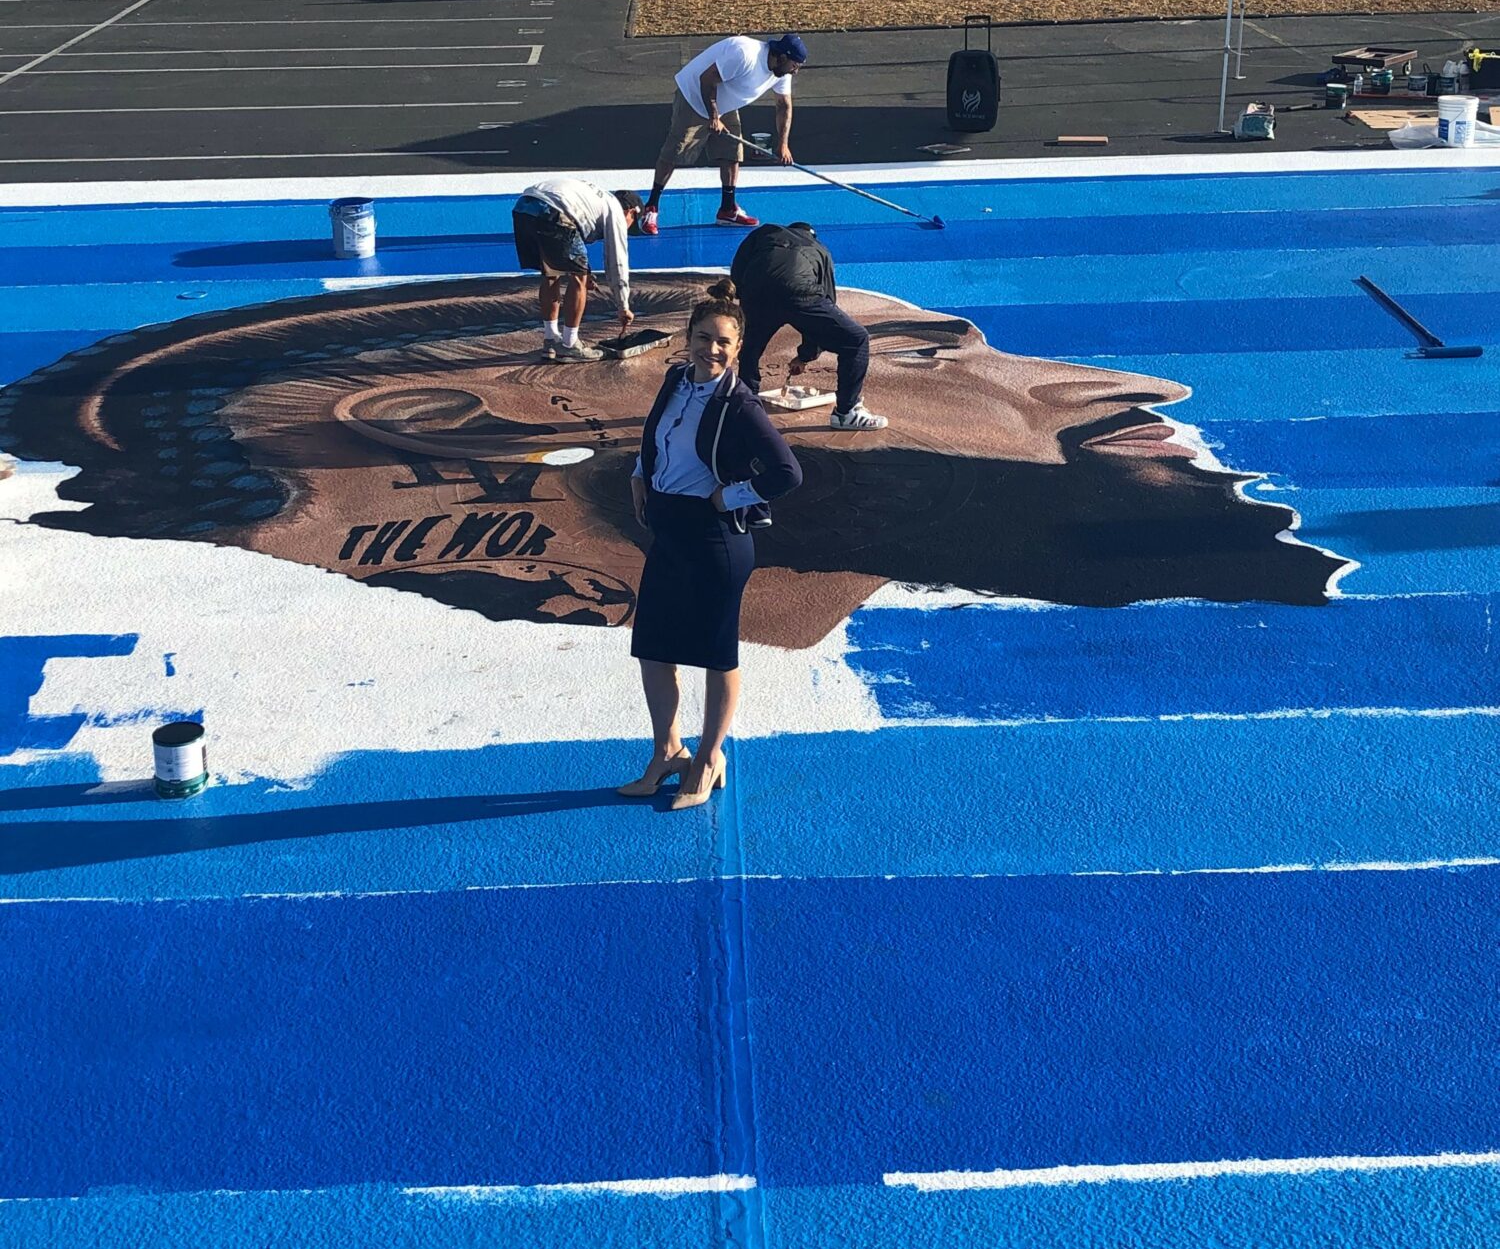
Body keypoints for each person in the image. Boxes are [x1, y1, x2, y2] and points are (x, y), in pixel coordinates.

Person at [0, 276, 1347, 660]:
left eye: (934, 345)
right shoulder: (694, 433)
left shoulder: (723, 431)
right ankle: (681, 747)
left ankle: (690, 749)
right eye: (933, 349)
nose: (1103, 381)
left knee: (694, 657)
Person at [618, 279, 802, 807]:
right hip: (668, 531)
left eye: (723, 341)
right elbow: (657, 435)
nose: (712, 349)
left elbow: (787, 473)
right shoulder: (675, 379)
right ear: (688, 338)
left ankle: (708, 757)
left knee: (716, 655)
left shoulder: (740, 405)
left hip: (715, 539)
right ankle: (667, 751)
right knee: (652, 647)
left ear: (738, 347)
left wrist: (732, 496)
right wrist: (639, 474)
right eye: (703, 338)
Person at [639, 32, 808, 237]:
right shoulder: (745, 55)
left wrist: (783, 145)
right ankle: (651, 207)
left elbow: (783, 106)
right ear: (781, 57)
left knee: (731, 152)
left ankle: (727, 210)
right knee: (676, 152)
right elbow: (706, 79)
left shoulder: (782, 73)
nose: (795, 71)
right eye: (794, 65)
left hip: (724, 102)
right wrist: (713, 116)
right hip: (694, 95)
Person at [732, 220, 888, 433]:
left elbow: (738, 269)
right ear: (812, 235)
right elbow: (826, 302)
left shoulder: (766, 232)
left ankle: (745, 407)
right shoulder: (820, 249)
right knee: (856, 339)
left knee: (750, 346)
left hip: (757, 291)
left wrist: (746, 301)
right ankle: (846, 413)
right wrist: (806, 356)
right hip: (800, 293)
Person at [511, 176, 642, 362]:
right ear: (630, 212)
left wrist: (586, 271)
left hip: (525, 207)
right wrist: (623, 306)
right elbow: (617, 261)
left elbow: (570, 239)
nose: (628, 229)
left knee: (550, 274)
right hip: (553, 211)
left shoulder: (596, 198)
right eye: (632, 224)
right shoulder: (615, 210)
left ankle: (550, 339)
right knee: (578, 279)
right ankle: (569, 344)